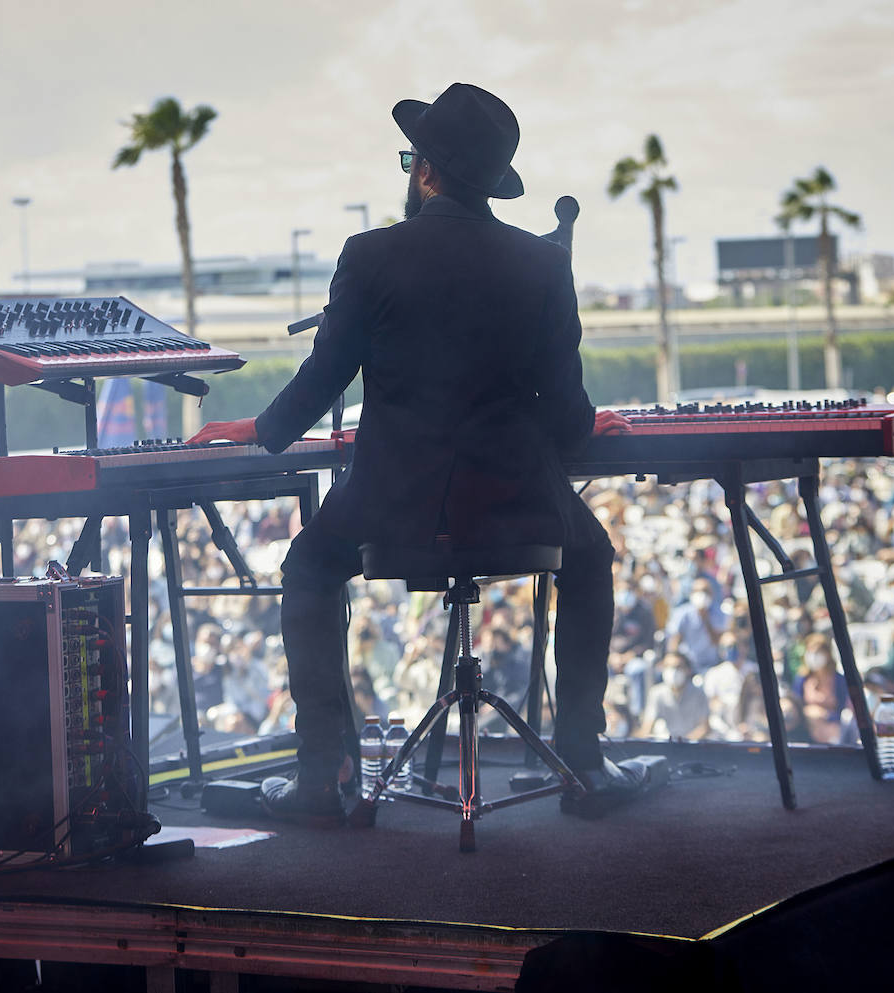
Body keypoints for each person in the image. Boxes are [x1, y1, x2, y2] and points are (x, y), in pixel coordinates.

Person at [188, 83, 638, 825]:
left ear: (424, 171)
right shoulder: (543, 265)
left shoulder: (368, 256)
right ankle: (583, 762)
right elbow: (566, 414)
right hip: (517, 507)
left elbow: (321, 379)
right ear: (492, 182)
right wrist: (592, 422)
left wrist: (258, 429)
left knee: (308, 565)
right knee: (589, 556)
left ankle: (323, 774)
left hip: (389, 509)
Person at [637, 652, 709, 740]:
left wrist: (683, 745)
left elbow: (704, 727)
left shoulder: (699, 693)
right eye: (667, 666)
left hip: (692, 747)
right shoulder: (656, 693)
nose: (672, 671)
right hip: (665, 745)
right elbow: (647, 727)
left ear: (688, 670)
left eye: (678, 667)